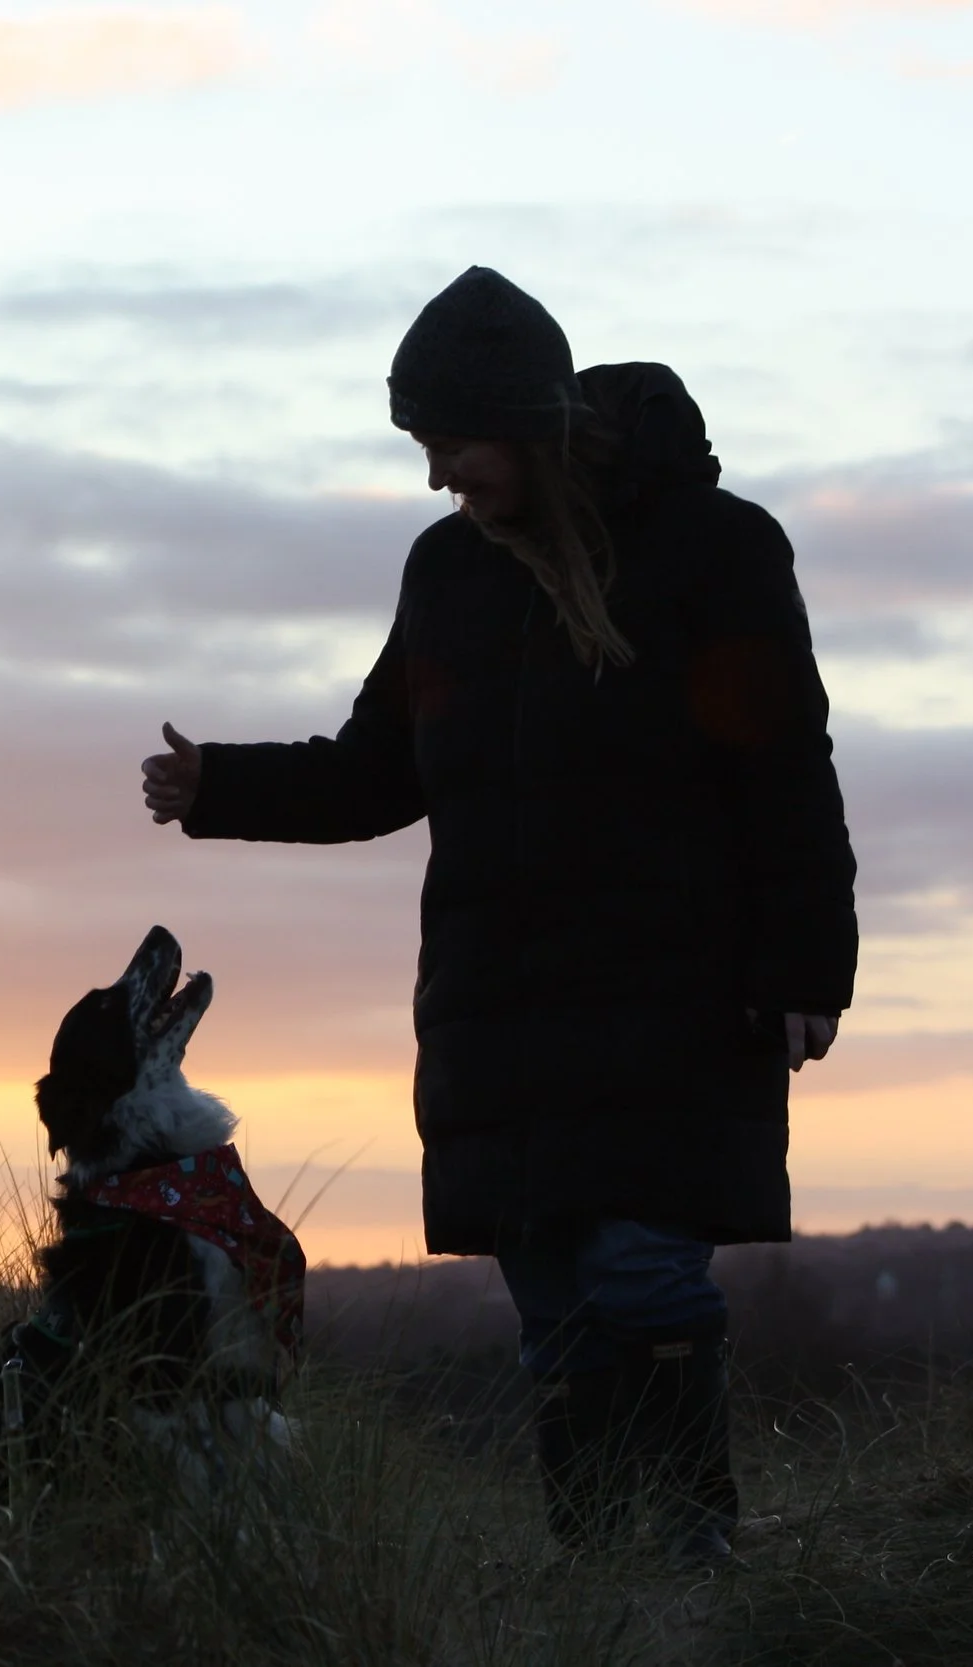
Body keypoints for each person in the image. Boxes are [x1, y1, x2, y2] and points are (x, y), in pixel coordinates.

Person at [141, 267, 857, 1566]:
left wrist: (809, 964)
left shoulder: (716, 552)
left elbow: (784, 769)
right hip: (500, 1031)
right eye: (422, 449)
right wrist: (220, 786)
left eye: (451, 446)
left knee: (645, 1286)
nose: (436, 479)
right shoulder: (447, 576)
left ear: (523, 422)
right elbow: (377, 769)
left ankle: (690, 1570)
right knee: (562, 1327)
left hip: (673, 1005)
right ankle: (603, 1587)